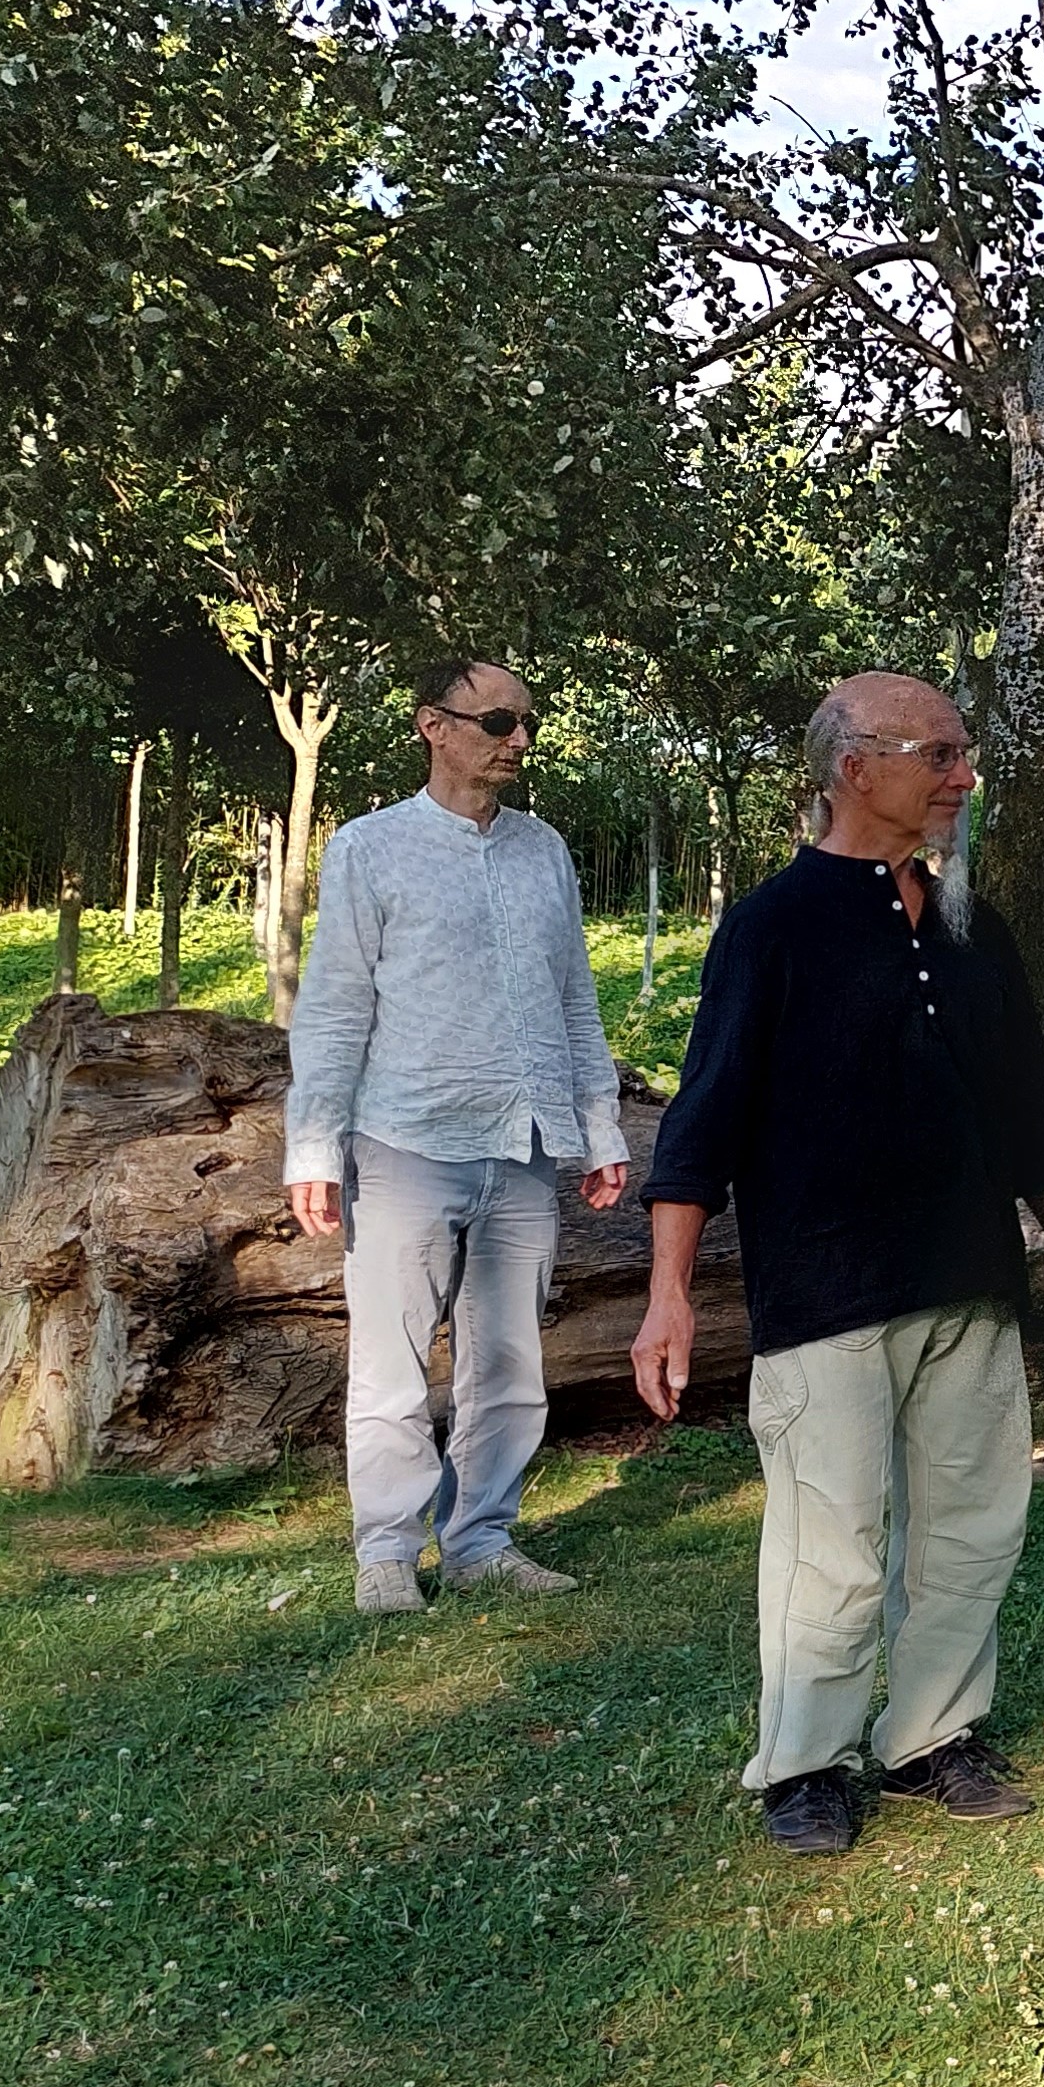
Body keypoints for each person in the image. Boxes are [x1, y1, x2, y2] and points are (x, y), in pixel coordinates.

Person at [632, 675, 1044, 1857]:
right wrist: (665, 1295)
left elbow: (1023, 1114)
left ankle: (932, 1740)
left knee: (971, 1529)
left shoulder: (972, 926)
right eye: (941, 754)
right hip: (825, 1293)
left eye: (964, 753)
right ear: (855, 766)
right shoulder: (771, 926)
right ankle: (804, 1763)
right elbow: (700, 1123)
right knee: (832, 1547)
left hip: (968, 1280)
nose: (964, 775)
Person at [284, 656, 631, 1616]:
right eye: (498, 721)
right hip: (404, 1139)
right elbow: (336, 1007)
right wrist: (313, 1144)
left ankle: (482, 1538)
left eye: (528, 721)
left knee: (511, 1359)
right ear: (433, 725)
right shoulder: (369, 848)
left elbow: (574, 1000)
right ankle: (387, 1552)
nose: (519, 738)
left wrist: (596, 1125)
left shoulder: (543, 850)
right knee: (393, 1361)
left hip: (521, 1146)